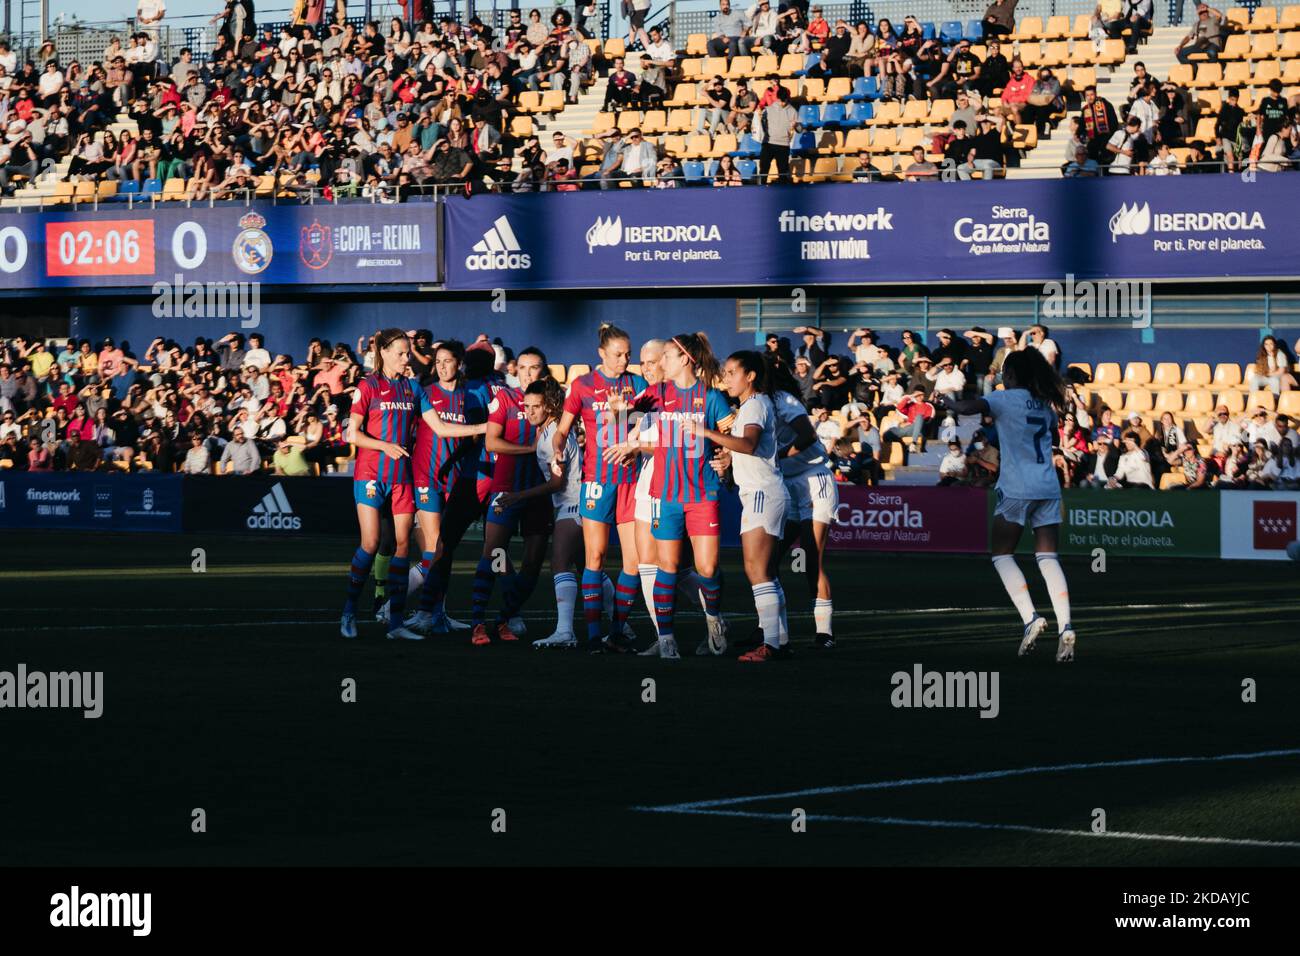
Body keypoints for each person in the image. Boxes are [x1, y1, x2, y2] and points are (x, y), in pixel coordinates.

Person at [341, 329, 484, 642]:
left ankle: (395, 624)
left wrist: (486, 426)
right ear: (385, 352)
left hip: (402, 477)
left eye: (408, 353)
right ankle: (349, 610)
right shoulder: (368, 385)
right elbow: (351, 434)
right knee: (371, 543)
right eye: (402, 353)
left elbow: (442, 428)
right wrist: (384, 446)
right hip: (370, 473)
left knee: (404, 546)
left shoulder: (413, 388)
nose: (408, 359)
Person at [943, 349, 1076, 662]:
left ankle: (1031, 618)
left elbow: (966, 407)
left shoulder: (1005, 398)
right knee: (1047, 557)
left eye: (1005, 372)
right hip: (1048, 485)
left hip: (1017, 487)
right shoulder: (1045, 405)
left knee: (1002, 556)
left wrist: (948, 402)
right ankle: (1066, 625)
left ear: (1012, 374)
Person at [615, 333, 732, 659]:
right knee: (666, 567)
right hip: (664, 495)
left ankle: (713, 620)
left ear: (685, 360)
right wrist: (618, 413)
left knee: (707, 568)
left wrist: (728, 457)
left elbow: (735, 436)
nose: (659, 362)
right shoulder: (655, 393)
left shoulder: (710, 397)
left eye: (666, 355)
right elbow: (625, 425)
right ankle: (666, 640)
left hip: (702, 493)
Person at [686, 351, 792, 661]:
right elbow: (747, 450)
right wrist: (728, 462)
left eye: (732, 372)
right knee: (767, 572)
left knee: (756, 570)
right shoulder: (751, 406)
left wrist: (707, 432)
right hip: (763, 492)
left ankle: (770, 645)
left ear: (751, 376)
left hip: (762, 494)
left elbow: (749, 444)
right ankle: (779, 641)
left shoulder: (756, 404)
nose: (727, 378)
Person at [550, 324, 648, 654]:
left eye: (629, 354)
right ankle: (593, 636)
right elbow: (561, 430)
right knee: (595, 557)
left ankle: (616, 632)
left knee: (633, 563)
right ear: (601, 354)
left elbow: (653, 427)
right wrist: (559, 449)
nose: (625, 360)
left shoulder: (637, 384)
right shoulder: (582, 385)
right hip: (597, 481)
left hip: (632, 482)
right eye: (619, 354)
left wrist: (626, 416)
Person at [403, 340, 494, 636]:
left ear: (459, 364)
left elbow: (477, 442)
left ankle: (436, 613)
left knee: (445, 549)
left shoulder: (471, 398)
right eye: (438, 361)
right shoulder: (425, 394)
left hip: (455, 480)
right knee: (435, 548)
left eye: (448, 361)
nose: (442, 366)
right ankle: (400, 607)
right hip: (426, 477)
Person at [467, 348, 549, 646]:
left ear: (544, 371)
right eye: (523, 368)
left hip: (540, 493)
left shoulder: (555, 404)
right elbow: (492, 441)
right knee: (493, 554)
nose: (528, 373)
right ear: (515, 371)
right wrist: (532, 450)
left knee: (532, 565)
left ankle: (504, 618)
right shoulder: (504, 398)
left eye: (535, 367)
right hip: (505, 488)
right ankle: (477, 623)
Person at [768, 357, 838, 648]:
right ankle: (771, 630)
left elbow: (808, 436)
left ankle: (825, 634)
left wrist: (779, 456)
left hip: (813, 480)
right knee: (767, 562)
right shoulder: (758, 403)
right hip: (788, 484)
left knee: (811, 558)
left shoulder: (784, 399)